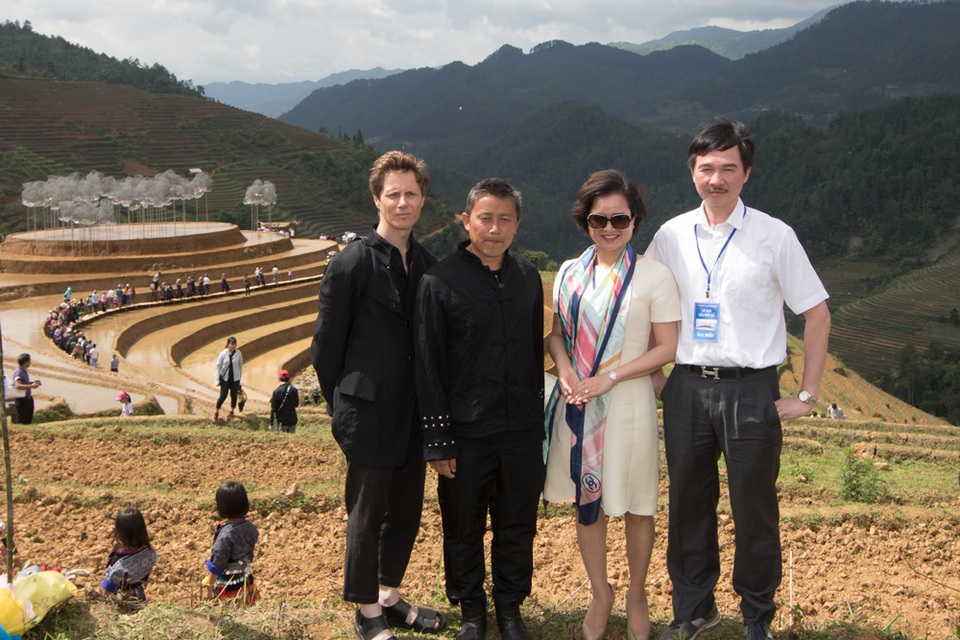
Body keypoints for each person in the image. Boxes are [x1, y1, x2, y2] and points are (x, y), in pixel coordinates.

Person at [646, 120, 831, 640]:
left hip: (752, 389)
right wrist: (659, 375)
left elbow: (816, 313)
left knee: (754, 507)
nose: (717, 178)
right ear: (692, 172)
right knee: (687, 504)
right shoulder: (671, 234)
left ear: (746, 173)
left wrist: (807, 394)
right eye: (707, 168)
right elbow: (643, 305)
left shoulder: (775, 235)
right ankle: (694, 609)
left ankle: (757, 617)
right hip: (685, 387)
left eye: (729, 168)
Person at [312, 150, 445, 640]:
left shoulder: (428, 265)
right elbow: (326, 348)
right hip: (368, 413)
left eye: (412, 193)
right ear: (377, 198)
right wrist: (344, 406)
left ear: (423, 198)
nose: (403, 202)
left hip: (413, 412)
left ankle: (389, 595)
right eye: (394, 194)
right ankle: (366, 610)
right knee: (367, 515)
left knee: (407, 508)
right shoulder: (350, 264)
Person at [544, 170, 680, 640]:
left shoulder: (654, 276)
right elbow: (557, 335)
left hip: (629, 404)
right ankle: (600, 593)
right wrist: (563, 368)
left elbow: (668, 348)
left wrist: (612, 377)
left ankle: (637, 593)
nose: (608, 228)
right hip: (580, 403)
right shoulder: (568, 272)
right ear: (585, 221)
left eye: (619, 219)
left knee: (639, 503)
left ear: (635, 221)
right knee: (590, 499)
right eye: (598, 218)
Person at [415, 178, 544, 640]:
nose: (495, 228)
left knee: (517, 525)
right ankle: (472, 611)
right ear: (466, 220)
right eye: (485, 218)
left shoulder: (527, 278)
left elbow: (533, 353)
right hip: (465, 434)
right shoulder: (439, 281)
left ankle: (510, 609)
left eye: (505, 219)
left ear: (517, 224)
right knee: (463, 526)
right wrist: (438, 440)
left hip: (521, 430)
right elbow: (428, 366)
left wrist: (538, 426)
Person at [203, 481, 261, 605]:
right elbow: (249, 553)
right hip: (246, 581)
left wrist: (210, 584)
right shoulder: (251, 528)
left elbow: (218, 562)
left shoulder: (225, 535)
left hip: (228, 586)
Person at [101, 507, 157, 602]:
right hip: (139, 595)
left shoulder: (118, 565)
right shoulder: (149, 553)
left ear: (120, 532)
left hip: (122, 600)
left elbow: (106, 590)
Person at [214, 337, 243, 422]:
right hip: (225, 378)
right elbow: (218, 367)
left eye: (235, 344)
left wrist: (239, 378)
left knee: (233, 395)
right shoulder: (223, 354)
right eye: (232, 344)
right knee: (223, 395)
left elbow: (240, 366)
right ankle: (216, 412)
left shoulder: (238, 353)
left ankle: (232, 411)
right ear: (228, 344)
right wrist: (217, 380)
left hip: (235, 379)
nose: (233, 346)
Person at [12, 353, 41, 425]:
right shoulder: (18, 372)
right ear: (25, 362)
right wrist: (32, 386)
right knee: (22, 422)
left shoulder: (24, 370)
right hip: (22, 400)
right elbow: (17, 385)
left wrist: (32, 383)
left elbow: (24, 383)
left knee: (28, 421)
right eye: (29, 360)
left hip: (28, 399)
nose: (30, 362)